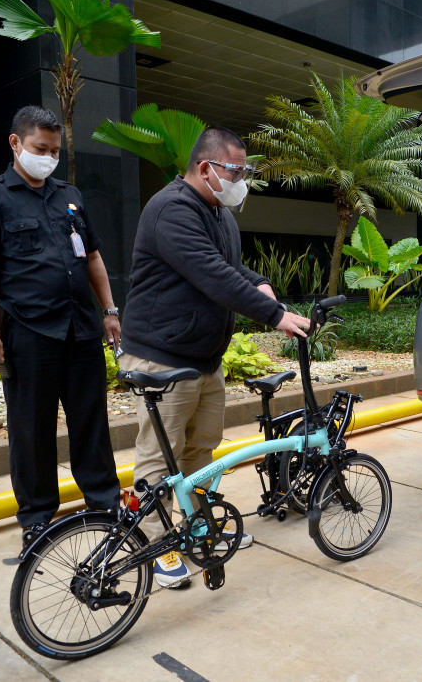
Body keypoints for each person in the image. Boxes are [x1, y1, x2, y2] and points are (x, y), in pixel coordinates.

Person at [119, 126, 309, 588]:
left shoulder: (219, 211)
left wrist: (260, 281)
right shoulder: (170, 210)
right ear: (206, 168)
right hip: (162, 358)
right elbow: (211, 275)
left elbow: (229, 266)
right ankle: (154, 545)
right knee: (159, 458)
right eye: (236, 170)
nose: (243, 179)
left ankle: (197, 530)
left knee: (202, 453)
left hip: (204, 358)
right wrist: (274, 315)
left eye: (246, 170)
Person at [0, 105, 122, 549]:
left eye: (54, 150)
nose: (48, 157)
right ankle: (36, 520)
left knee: (91, 423)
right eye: (40, 148)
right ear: (16, 143)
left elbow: (92, 258)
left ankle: (105, 506)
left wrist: (109, 310)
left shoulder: (70, 195)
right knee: (31, 431)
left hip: (80, 329)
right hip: (28, 332)